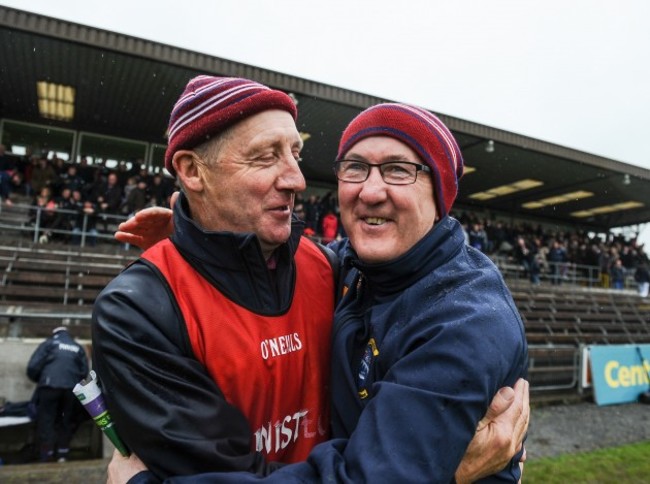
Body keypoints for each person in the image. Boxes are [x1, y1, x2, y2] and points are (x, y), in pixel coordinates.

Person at [105, 84, 528, 483]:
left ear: (441, 196)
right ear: (193, 171)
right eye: (266, 156)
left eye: (400, 170)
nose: (297, 180)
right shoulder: (352, 267)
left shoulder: (463, 319)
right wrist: (196, 236)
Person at [26, 326, 89, 462]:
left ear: (54, 333)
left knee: (46, 420)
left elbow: (33, 366)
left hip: (49, 387)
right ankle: (62, 454)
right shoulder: (77, 347)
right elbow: (84, 372)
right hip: (71, 389)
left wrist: (41, 379)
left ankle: (47, 454)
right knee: (66, 420)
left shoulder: (49, 343)